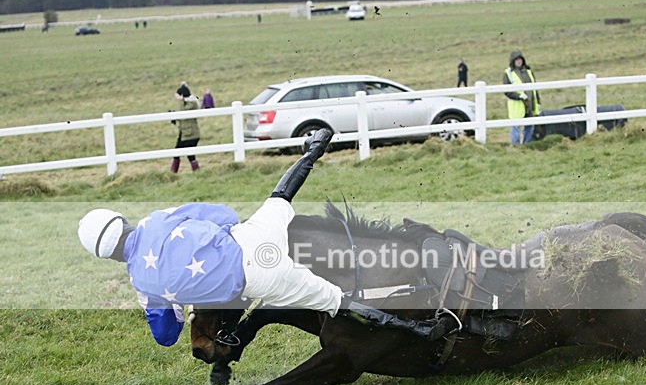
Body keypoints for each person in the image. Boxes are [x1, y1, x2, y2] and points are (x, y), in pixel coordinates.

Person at [77, 129, 458, 348]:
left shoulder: (144, 286)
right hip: (252, 237)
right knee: (279, 198)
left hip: (260, 280)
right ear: (122, 220)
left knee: (338, 303)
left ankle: (419, 330)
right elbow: (224, 216)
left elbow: (165, 337)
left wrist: (174, 304)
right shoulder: (159, 217)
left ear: (107, 256)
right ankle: (313, 149)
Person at [502, 50, 541, 145]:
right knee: (515, 127)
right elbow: (507, 91)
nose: (519, 61)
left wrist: (538, 102)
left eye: (520, 59)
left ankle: (527, 145)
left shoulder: (529, 71)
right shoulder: (508, 73)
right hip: (517, 105)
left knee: (530, 126)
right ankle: (515, 146)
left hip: (530, 104)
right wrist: (519, 96)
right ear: (513, 61)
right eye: (516, 60)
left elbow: (535, 89)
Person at [171, 82, 201, 172]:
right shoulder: (187, 103)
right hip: (184, 133)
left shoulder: (191, 104)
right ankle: (196, 172)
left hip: (190, 133)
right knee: (179, 152)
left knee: (188, 154)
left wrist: (182, 98)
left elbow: (184, 113)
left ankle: (173, 172)